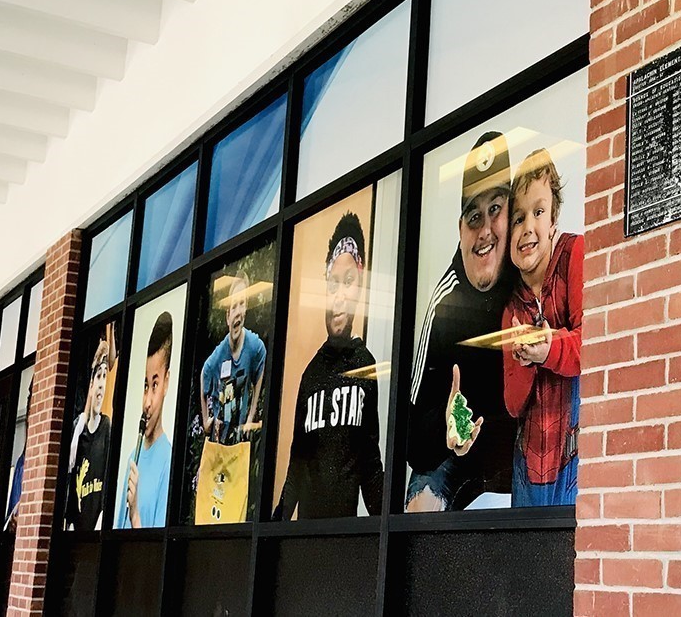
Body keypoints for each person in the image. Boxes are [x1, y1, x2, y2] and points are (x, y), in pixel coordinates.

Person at [405, 131, 517, 511]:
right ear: (460, 230)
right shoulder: (445, 305)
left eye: (495, 210)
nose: (485, 230)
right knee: (420, 502)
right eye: (474, 216)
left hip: (517, 453)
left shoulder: (529, 274)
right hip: (457, 459)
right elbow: (410, 438)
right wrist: (445, 427)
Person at [276, 212, 385, 519]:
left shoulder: (365, 366)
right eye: (333, 283)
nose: (339, 297)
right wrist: (273, 531)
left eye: (348, 282)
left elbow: (369, 463)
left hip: (343, 542)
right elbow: (296, 467)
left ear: (359, 290)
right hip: (304, 541)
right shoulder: (310, 375)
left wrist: (390, 526)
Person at [501, 149, 582, 506]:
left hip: (577, 461)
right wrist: (524, 362)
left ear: (553, 222)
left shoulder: (576, 254)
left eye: (538, 212)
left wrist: (549, 348)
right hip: (527, 471)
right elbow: (512, 405)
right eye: (518, 218)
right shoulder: (510, 308)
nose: (528, 228)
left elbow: (596, 346)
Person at [118, 312, 174, 528]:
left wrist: (135, 515)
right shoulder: (134, 457)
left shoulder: (168, 460)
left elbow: (155, 550)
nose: (147, 402)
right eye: (145, 385)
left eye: (155, 385)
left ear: (166, 383)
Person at [200, 270, 267, 446]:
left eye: (242, 304)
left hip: (239, 443)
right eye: (234, 306)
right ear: (227, 316)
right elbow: (204, 373)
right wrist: (206, 420)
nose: (238, 312)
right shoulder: (218, 355)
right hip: (218, 443)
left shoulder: (254, 346)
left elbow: (261, 367)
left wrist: (251, 416)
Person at [65, 325, 115, 531]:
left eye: (105, 377)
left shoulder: (108, 429)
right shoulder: (78, 430)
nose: (102, 384)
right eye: (98, 376)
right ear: (91, 381)